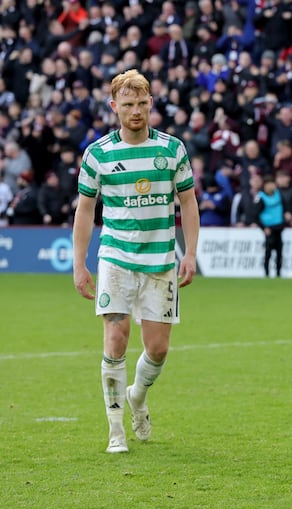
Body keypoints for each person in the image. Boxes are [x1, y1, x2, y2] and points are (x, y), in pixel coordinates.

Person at [72, 69, 200, 454]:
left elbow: (189, 202)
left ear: (151, 105)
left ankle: (138, 397)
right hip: (115, 257)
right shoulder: (98, 154)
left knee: (158, 349)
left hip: (161, 260)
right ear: (114, 108)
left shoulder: (172, 149)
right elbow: (85, 211)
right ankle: (115, 432)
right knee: (115, 338)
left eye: (142, 104)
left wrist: (190, 252)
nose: (136, 111)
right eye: (128, 104)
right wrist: (80, 263)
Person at [255, 177, 284, 277]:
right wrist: (264, 228)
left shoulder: (279, 194)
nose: (271, 186)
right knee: (268, 253)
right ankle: (266, 274)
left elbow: (285, 207)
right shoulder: (260, 197)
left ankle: (278, 274)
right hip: (269, 229)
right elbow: (255, 214)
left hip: (278, 228)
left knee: (279, 253)